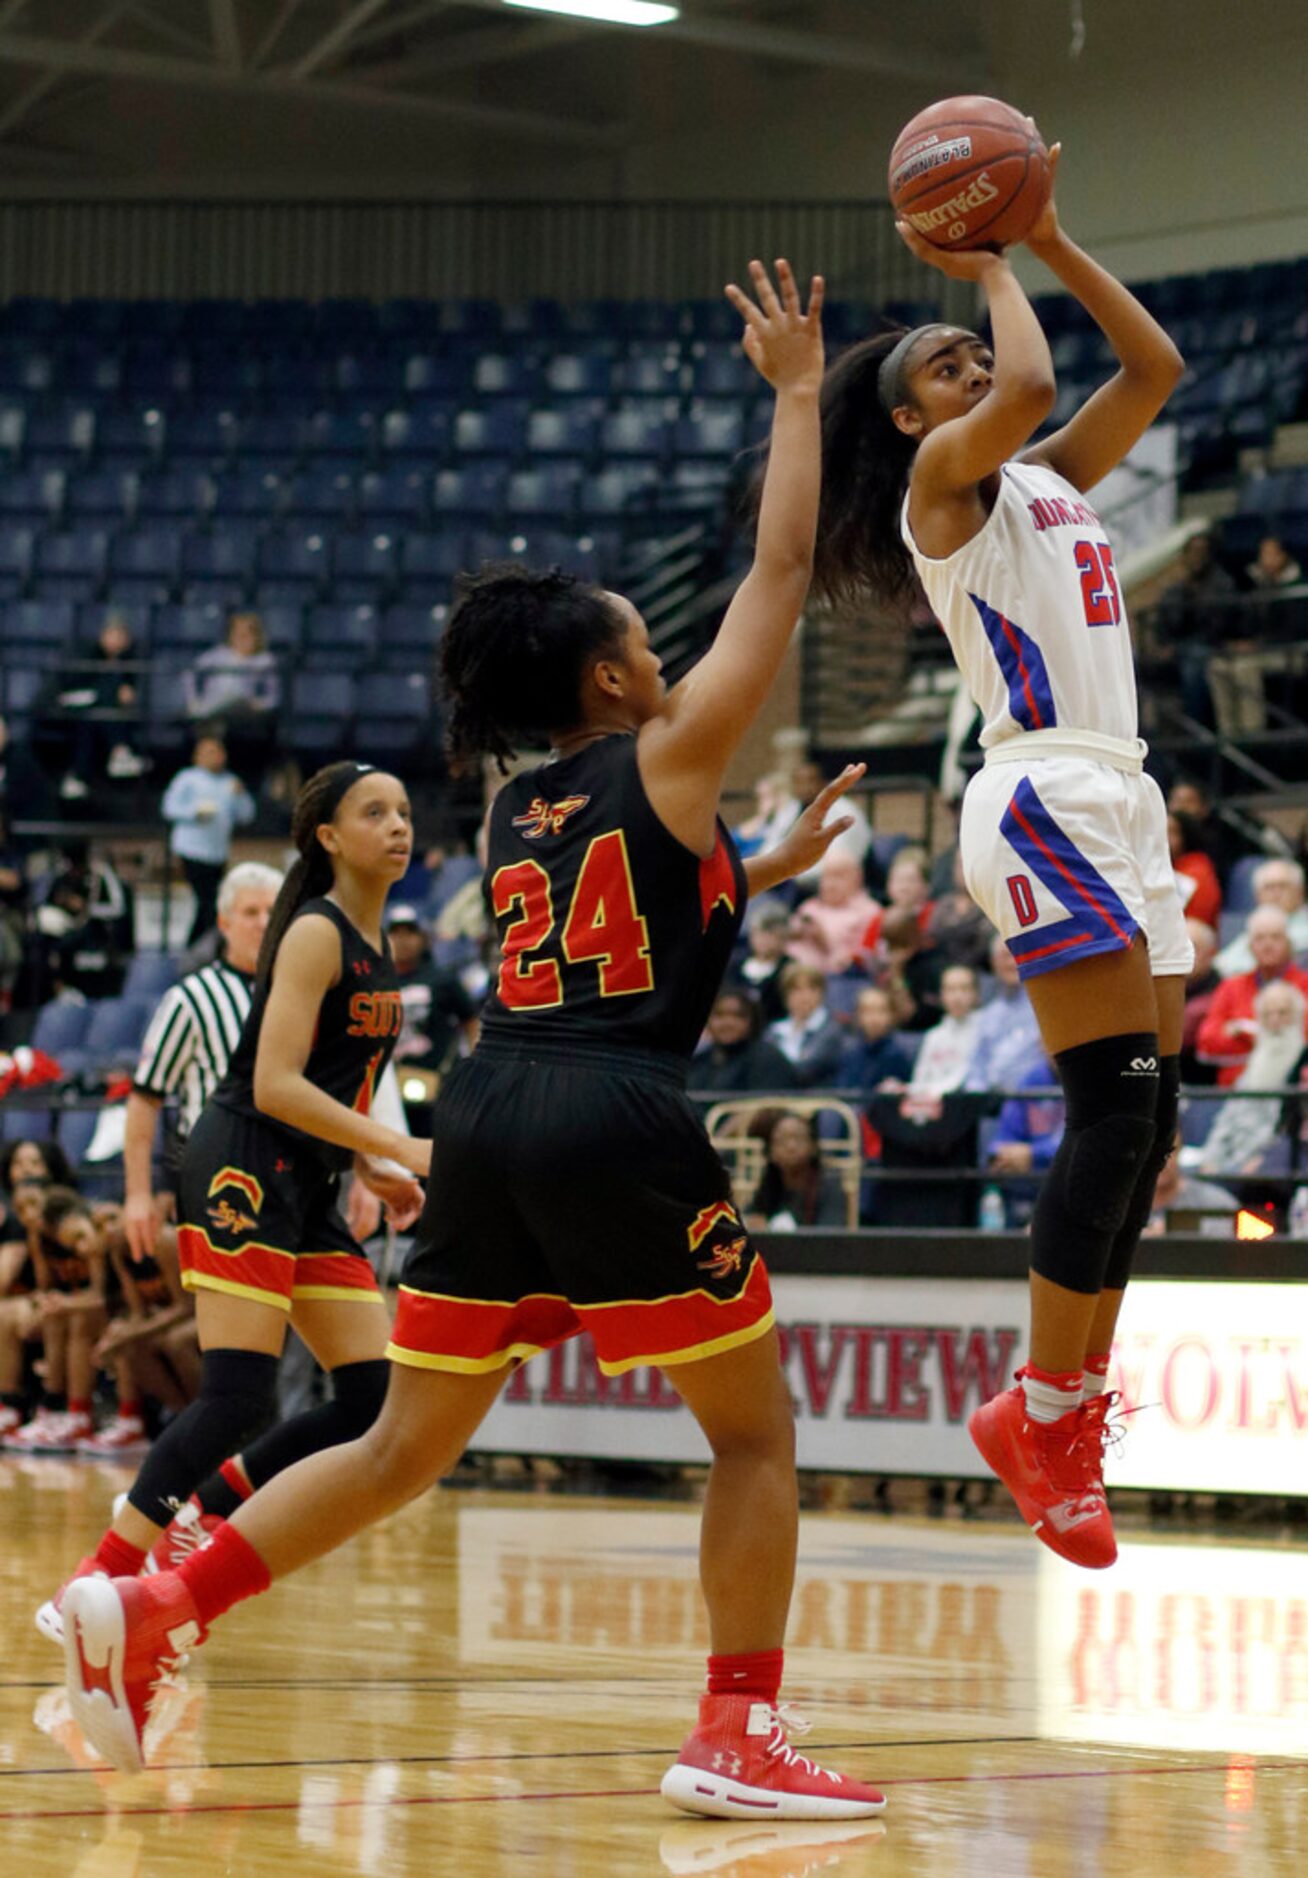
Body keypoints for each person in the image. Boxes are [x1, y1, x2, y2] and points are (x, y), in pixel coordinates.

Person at [63, 260, 886, 1817]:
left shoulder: (521, 802)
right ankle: (736, 1730)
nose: (669, 651)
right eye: (649, 639)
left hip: (494, 1097)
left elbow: (627, 907)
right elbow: (782, 567)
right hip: (610, 1109)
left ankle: (157, 1606)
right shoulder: (677, 746)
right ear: (612, 679)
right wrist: (795, 393)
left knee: (398, 1449)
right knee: (759, 1433)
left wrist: (754, 869)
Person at [808, 145, 1191, 1570]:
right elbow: (1031, 387)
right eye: (947, 363)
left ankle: (1066, 1408)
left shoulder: (1045, 485)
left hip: (1122, 796)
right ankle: (1039, 1404)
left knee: (1151, 1123)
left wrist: (1054, 236)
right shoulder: (945, 488)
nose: (976, 365)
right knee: (1110, 1108)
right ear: (912, 415)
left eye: (976, 350)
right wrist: (987, 263)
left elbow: (1149, 370)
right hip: (1039, 793)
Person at [41, 759, 428, 1646]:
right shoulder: (315, 933)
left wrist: (368, 1169)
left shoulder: (374, 948)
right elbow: (276, 1083)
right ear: (328, 836)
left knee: (371, 1394)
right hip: (245, 1165)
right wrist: (398, 1144)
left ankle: (201, 1517)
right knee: (237, 1392)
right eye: (376, 812)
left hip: (313, 1180)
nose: (399, 826)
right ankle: (93, 1580)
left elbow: (339, 1080)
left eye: (405, 812)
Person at [2, 1184, 106, 1451]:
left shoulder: (89, 1233)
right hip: (73, 1306)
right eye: (22, 1209)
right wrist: (45, 1300)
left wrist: (64, 1303)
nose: (31, 1215)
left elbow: (101, 1295)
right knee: (31, 1314)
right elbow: (45, 1286)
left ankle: (75, 1413)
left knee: (72, 1317)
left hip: (101, 1308)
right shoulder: (42, 1238)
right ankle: (26, 1407)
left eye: (35, 1205)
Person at [1198, 980, 1308, 1179]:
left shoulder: (1302, 1066)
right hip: (1232, 1156)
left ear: (1296, 1016)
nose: (1275, 1021)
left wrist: (1264, 1159)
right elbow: (1227, 1119)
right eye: (1267, 1014)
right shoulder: (1254, 1064)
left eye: (1282, 1013)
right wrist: (1210, 1160)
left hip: (1272, 1159)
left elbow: (1286, 1128)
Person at [40, 613, 149, 803]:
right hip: (65, 700)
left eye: (123, 638)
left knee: (89, 720)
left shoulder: (126, 661)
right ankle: (119, 751)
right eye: (115, 636)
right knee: (103, 697)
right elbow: (70, 682)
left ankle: (76, 776)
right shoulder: (86, 651)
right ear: (104, 635)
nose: (119, 642)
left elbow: (128, 695)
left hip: (88, 710)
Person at [160, 733, 257, 946]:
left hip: (217, 852)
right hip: (192, 850)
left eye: (218, 752)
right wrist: (194, 812)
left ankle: (198, 947)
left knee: (212, 904)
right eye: (209, 752)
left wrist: (240, 796)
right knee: (208, 903)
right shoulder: (187, 779)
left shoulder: (230, 782)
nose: (215, 757)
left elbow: (247, 815)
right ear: (198, 756)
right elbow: (169, 808)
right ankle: (199, 949)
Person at [1197, 905, 1308, 1083]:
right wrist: (1275, 1038)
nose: (1267, 944)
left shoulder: (1305, 985)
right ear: (1249, 946)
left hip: (1292, 1091)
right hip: (1235, 1093)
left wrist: (1243, 1033)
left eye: (1275, 937)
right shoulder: (1230, 986)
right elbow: (1206, 1043)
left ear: (1289, 943)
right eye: (1260, 938)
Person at [184, 611, 281, 788]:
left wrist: (260, 705)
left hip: (244, 714)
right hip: (213, 709)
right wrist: (193, 700)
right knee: (210, 723)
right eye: (238, 634)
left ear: (256, 636)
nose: (243, 639)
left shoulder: (265, 661)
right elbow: (190, 672)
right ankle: (208, 775)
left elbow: (273, 698)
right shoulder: (217, 655)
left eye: (248, 634)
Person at [1152, 531, 1237, 728]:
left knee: (1194, 663)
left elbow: (1221, 626)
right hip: (1180, 647)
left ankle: (1195, 728)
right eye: (1191, 552)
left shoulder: (1222, 585)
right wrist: (1164, 644)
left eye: (1200, 552)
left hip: (1211, 646)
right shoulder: (1176, 590)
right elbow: (1164, 624)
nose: (1195, 558)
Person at [384, 904, 478, 1073]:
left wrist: (473, 1062)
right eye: (395, 933)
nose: (402, 940)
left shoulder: (442, 980)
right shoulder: (374, 980)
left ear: (424, 938)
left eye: (410, 932)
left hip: (431, 1075)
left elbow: (471, 1020)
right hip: (385, 1074)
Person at [745, 1110, 848, 1230]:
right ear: (771, 1151)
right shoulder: (770, 1182)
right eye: (782, 1140)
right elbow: (749, 1217)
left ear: (813, 1147)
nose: (791, 1147)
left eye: (798, 1139)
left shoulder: (829, 1185)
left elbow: (831, 1237)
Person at [786, 850, 879, 977]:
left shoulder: (870, 912)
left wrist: (823, 941)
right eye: (826, 876)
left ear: (858, 878)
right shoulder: (810, 906)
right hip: (789, 977)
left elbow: (859, 965)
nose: (830, 884)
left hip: (834, 982)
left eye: (838, 876)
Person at [688, 989, 797, 1096]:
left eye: (738, 1016)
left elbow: (769, 1107)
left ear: (752, 1021)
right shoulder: (698, 1062)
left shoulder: (768, 1059)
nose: (728, 1023)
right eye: (719, 1015)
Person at [1214, 858, 1308, 976]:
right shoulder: (1256, 924)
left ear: (1300, 893)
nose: (1276, 894)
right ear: (1257, 896)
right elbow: (1221, 964)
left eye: (1283, 886)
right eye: (1269, 888)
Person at [765, 962, 845, 1086]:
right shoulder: (774, 1031)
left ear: (822, 993)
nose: (804, 996)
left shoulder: (832, 1032)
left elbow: (804, 1071)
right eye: (796, 989)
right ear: (785, 995)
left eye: (812, 989)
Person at [1167, 809, 1221, 929]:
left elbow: (1197, 921)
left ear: (1187, 836)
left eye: (1171, 832)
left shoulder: (1197, 873)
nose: (1164, 837)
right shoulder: (1161, 868)